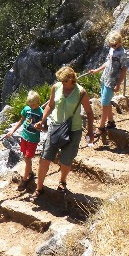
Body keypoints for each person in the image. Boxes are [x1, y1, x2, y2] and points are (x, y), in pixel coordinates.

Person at [32, 66, 94, 200]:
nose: (62, 82)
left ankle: (62, 182)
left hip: (73, 129)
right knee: (44, 158)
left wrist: (90, 131)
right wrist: (42, 120)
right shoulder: (56, 87)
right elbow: (50, 105)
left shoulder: (81, 92)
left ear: (71, 79)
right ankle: (39, 188)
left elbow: (89, 112)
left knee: (66, 160)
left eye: (64, 80)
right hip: (55, 127)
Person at [89, 30, 126, 140]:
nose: (113, 47)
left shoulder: (122, 53)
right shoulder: (112, 50)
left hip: (112, 82)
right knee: (106, 102)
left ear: (120, 42)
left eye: (114, 45)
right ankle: (110, 122)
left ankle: (101, 127)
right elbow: (108, 63)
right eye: (111, 45)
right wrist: (97, 70)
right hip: (106, 79)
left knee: (104, 104)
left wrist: (118, 84)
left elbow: (124, 70)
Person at [5, 90, 43, 191]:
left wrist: (39, 127)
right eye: (30, 105)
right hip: (24, 137)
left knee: (27, 158)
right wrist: (12, 130)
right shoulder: (27, 109)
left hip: (33, 140)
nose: (31, 107)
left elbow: (44, 128)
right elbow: (21, 121)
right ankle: (30, 173)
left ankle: (25, 180)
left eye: (33, 105)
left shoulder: (41, 113)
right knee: (25, 157)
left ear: (38, 102)